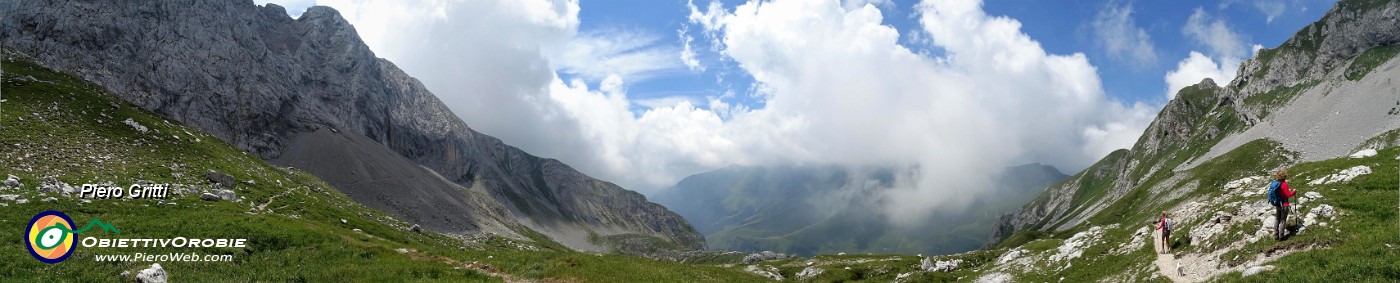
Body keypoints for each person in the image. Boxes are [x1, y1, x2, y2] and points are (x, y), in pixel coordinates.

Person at [1269, 169, 1296, 240]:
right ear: (1284, 176)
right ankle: (1281, 237)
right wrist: (1293, 192)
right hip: (1284, 204)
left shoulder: (1276, 183)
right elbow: (1287, 194)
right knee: (1283, 220)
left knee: (1277, 219)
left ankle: (1276, 235)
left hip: (1277, 204)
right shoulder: (1284, 184)